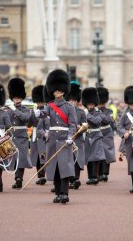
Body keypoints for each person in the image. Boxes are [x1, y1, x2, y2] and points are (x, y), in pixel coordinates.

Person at [34, 69, 77, 204]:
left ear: (64, 90)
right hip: (52, 140)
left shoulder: (69, 107)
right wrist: (36, 113)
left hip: (65, 140)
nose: (57, 92)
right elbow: (43, 114)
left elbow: (73, 125)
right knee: (55, 167)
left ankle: (64, 193)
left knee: (64, 167)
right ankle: (58, 192)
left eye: (60, 90)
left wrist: (70, 137)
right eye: (55, 90)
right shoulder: (50, 106)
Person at [6, 77, 33, 189]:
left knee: (21, 158)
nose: (17, 100)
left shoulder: (25, 109)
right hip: (12, 137)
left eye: (18, 98)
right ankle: (17, 178)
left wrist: (14, 110)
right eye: (15, 98)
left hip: (22, 137)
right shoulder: (8, 110)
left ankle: (19, 178)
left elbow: (25, 118)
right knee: (14, 158)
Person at [82, 87, 106, 185]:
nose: (90, 105)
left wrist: (87, 115)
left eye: (92, 103)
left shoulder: (99, 112)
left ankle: (95, 177)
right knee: (88, 157)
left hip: (96, 135)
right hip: (87, 135)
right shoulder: (83, 112)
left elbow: (97, 121)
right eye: (88, 104)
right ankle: (90, 177)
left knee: (95, 158)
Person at [67, 82, 86, 189]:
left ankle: (76, 179)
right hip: (68, 138)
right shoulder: (64, 111)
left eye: (73, 101)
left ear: (76, 101)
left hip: (78, 139)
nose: (71, 102)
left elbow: (85, 125)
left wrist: (80, 128)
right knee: (69, 160)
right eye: (70, 101)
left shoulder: (81, 112)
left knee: (77, 161)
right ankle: (71, 180)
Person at [30, 85, 49, 186]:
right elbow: (29, 124)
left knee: (43, 155)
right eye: (39, 101)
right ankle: (40, 176)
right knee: (37, 156)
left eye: (41, 101)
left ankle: (43, 175)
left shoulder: (46, 110)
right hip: (35, 134)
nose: (40, 103)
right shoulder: (33, 110)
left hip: (44, 135)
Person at [97, 87, 116, 182]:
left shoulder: (109, 111)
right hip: (96, 133)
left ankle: (104, 173)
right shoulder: (94, 111)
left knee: (106, 153)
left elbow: (109, 120)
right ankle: (98, 173)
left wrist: (100, 115)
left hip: (106, 133)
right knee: (97, 153)